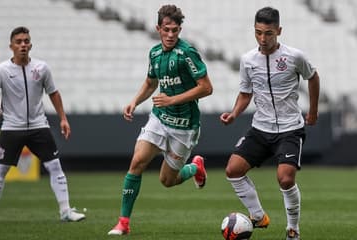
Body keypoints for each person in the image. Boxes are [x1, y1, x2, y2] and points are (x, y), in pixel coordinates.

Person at [108, 4, 213, 235]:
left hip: (185, 126)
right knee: (137, 162)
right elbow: (150, 83)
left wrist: (173, 100)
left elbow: (206, 88)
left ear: (180, 30)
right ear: (158, 28)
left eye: (175, 30)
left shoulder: (188, 53)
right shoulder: (154, 53)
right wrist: (135, 102)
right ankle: (123, 222)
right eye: (166, 30)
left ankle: (195, 167)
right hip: (160, 119)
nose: (170, 35)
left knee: (167, 180)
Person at [219, 7, 320, 240]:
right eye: (258, 33)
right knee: (233, 171)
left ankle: (293, 230)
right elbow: (245, 93)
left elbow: (313, 77)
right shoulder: (247, 60)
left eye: (268, 33)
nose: (263, 39)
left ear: (279, 31)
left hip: (289, 129)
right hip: (260, 128)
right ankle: (258, 216)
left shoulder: (295, 56)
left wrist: (313, 111)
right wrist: (234, 114)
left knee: (285, 178)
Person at [0, 26, 86, 223]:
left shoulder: (41, 68)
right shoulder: (1, 70)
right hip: (12, 127)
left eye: (26, 41)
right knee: (0, 170)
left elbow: (53, 93)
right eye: (19, 41)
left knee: (55, 166)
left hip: (39, 126)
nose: (23, 45)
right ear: (11, 46)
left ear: (31, 44)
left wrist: (63, 118)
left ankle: (65, 211)